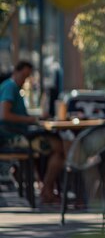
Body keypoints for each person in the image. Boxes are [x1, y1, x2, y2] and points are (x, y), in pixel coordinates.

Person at [0, 61, 67, 204]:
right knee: (59, 148)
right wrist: (31, 119)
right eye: (23, 76)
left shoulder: (12, 88)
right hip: (12, 136)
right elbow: (4, 115)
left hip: (18, 133)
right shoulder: (10, 87)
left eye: (27, 77)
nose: (24, 80)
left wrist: (35, 118)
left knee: (49, 143)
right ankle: (47, 189)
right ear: (16, 72)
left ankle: (46, 187)